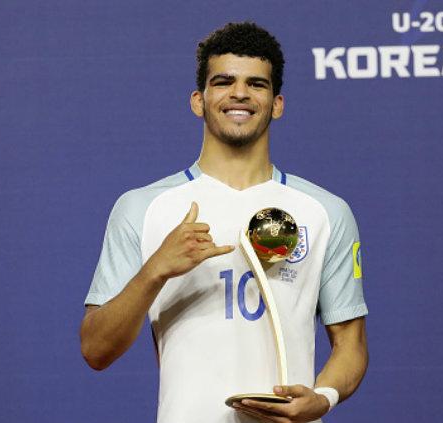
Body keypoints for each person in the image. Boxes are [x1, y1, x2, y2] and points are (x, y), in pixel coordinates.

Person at [80, 22, 368, 423]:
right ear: (198, 100)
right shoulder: (143, 208)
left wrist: (323, 397)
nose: (239, 94)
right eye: (224, 81)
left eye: (257, 84)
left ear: (277, 103)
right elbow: (96, 349)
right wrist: (156, 271)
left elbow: (351, 344)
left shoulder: (325, 211)